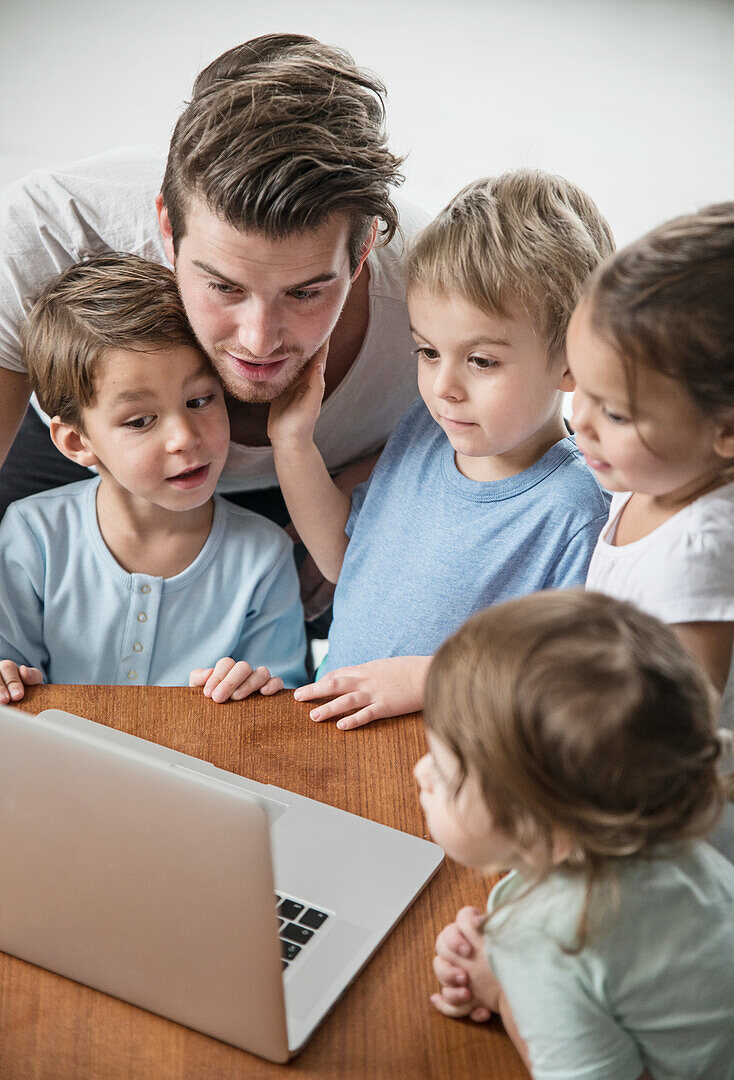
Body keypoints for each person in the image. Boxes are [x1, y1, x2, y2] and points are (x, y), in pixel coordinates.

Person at [0, 33, 426, 623]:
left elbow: (530, 427)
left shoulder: (435, 290)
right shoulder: (46, 233)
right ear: (167, 230)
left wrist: (374, 486)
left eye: (305, 293)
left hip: (320, 474)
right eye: (223, 286)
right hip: (87, 457)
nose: (258, 341)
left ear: (361, 257)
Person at [271, 169, 613, 728]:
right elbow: (343, 560)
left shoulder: (577, 511)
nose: (443, 386)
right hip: (338, 724)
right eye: (428, 352)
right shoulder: (425, 432)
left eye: (481, 361)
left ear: (574, 361)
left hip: (448, 766)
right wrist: (292, 444)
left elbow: (569, 684)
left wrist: (429, 678)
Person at [418, 589, 734, 1080]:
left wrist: (514, 994)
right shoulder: (666, 836)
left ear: (546, 829)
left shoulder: (549, 942)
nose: (421, 773)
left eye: (449, 777)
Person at [0, 255, 306, 704]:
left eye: (201, 400)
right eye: (141, 420)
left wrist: (257, 688)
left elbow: (284, 698)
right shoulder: (33, 534)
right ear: (76, 442)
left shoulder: (263, 553)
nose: (185, 438)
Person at [567, 203, 734, 722]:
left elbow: (674, 741)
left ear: (726, 430)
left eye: (615, 412)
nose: (580, 420)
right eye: (579, 384)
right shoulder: (655, 475)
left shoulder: (697, 555)